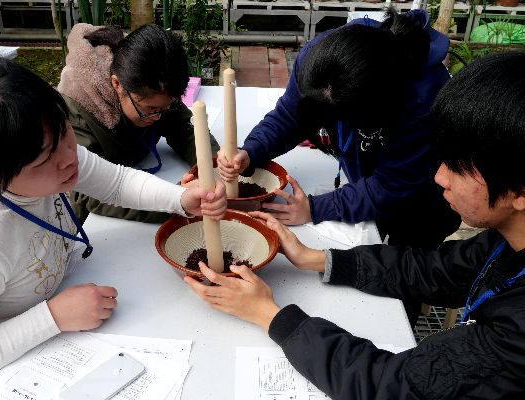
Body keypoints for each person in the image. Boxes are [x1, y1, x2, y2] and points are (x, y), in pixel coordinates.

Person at [186, 50, 525, 398]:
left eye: (458, 166)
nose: (439, 177)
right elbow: (435, 268)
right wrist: (313, 258)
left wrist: (270, 315)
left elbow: (391, 386)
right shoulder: (506, 242)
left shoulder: (515, 334)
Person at [0, 56, 226, 398]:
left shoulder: (49, 146)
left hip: (75, 312)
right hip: (13, 369)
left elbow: (113, 181)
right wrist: (53, 317)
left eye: (65, 131)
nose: (70, 157)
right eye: (44, 160)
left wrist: (182, 199)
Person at [217, 9, 460, 248]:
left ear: (370, 106)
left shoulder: (423, 100)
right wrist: (251, 151)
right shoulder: (321, 56)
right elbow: (291, 117)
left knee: (402, 262)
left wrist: (315, 208)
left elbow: (393, 185)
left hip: (421, 202)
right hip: (375, 182)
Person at [57, 23, 219, 224]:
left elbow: (184, 128)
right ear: (117, 84)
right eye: (149, 109)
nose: (158, 116)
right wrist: (174, 199)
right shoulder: (77, 110)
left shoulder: (154, 76)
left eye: (166, 107)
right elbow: (91, 193)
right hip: (96, 223)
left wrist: (212, 168)